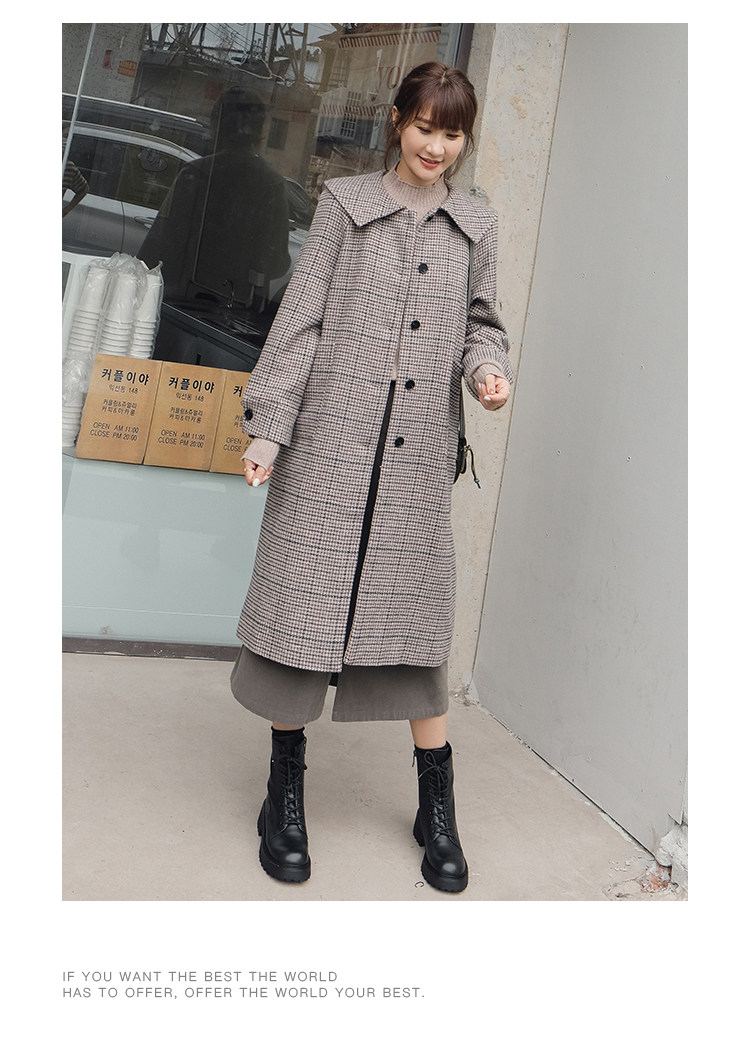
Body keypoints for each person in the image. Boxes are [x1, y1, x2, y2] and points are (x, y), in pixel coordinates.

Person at [231, 62, 514, 893]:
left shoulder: (477, 224)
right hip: (328, 443)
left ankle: (437, 806)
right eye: (425, 127)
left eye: (452, 133)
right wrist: (270, 428)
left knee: (414, 627)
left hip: (417, 455)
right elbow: (302, 320)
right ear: (397, 121)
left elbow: (483, 325)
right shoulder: (344, 205)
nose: (437, 146)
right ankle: (284, 793)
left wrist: (487, 371)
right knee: (301, 615)